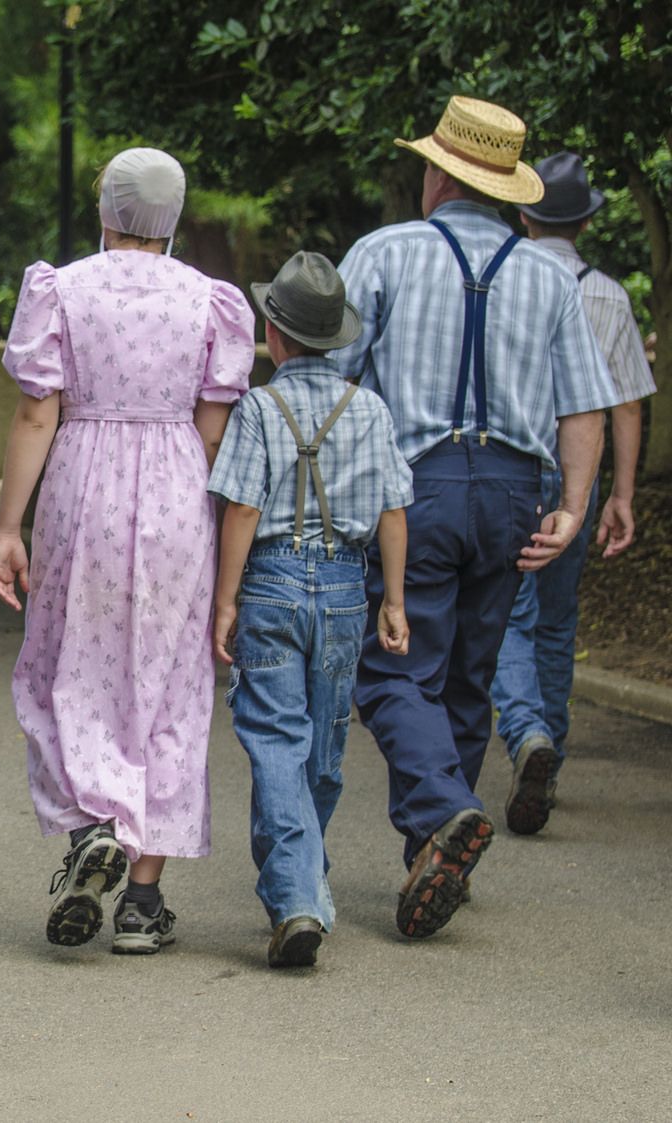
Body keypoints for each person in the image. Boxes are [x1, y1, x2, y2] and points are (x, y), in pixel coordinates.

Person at [329, 97, 615, 939]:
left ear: (436, 173)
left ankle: (447, 807)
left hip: (411, 486)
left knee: (390, 666)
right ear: (506, 188)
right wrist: (570, 508)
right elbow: (587, 408)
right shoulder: (550, 275)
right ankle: (434, 844)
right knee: (468, 673)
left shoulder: (383, 253)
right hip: (513, 490)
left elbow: (333, 379)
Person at [0, 147, 255, 954]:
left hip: (83, 483)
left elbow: (39, 415)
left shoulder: (61, 288)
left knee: (71, 662)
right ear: (173, 221)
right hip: (176, 482)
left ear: (104, 211)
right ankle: (142, 903)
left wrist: (9, 526)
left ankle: (93, 823)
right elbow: (214, 422)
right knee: (168, 681)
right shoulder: (210, 301)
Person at [207, 252, 414, 968]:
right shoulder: (372, 410)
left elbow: (241, 506)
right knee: (323, 750)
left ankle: (295, 892)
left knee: (275, 740)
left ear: (276, 334)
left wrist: (225, 598)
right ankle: (302, 880)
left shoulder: (259, 408)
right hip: (345, 587)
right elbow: (392, 508)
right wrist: (395, 597)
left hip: (269, 582)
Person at [489, 153, 658, 836]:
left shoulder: (504, 280)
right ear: (587, 221)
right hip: (576, 476)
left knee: (510, 615)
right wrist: (620, 494)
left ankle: (525, 728)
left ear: (523, 212)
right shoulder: (609, 295)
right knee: (558, 620)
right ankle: (547, 755)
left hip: (516, 467)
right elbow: (625, 405)